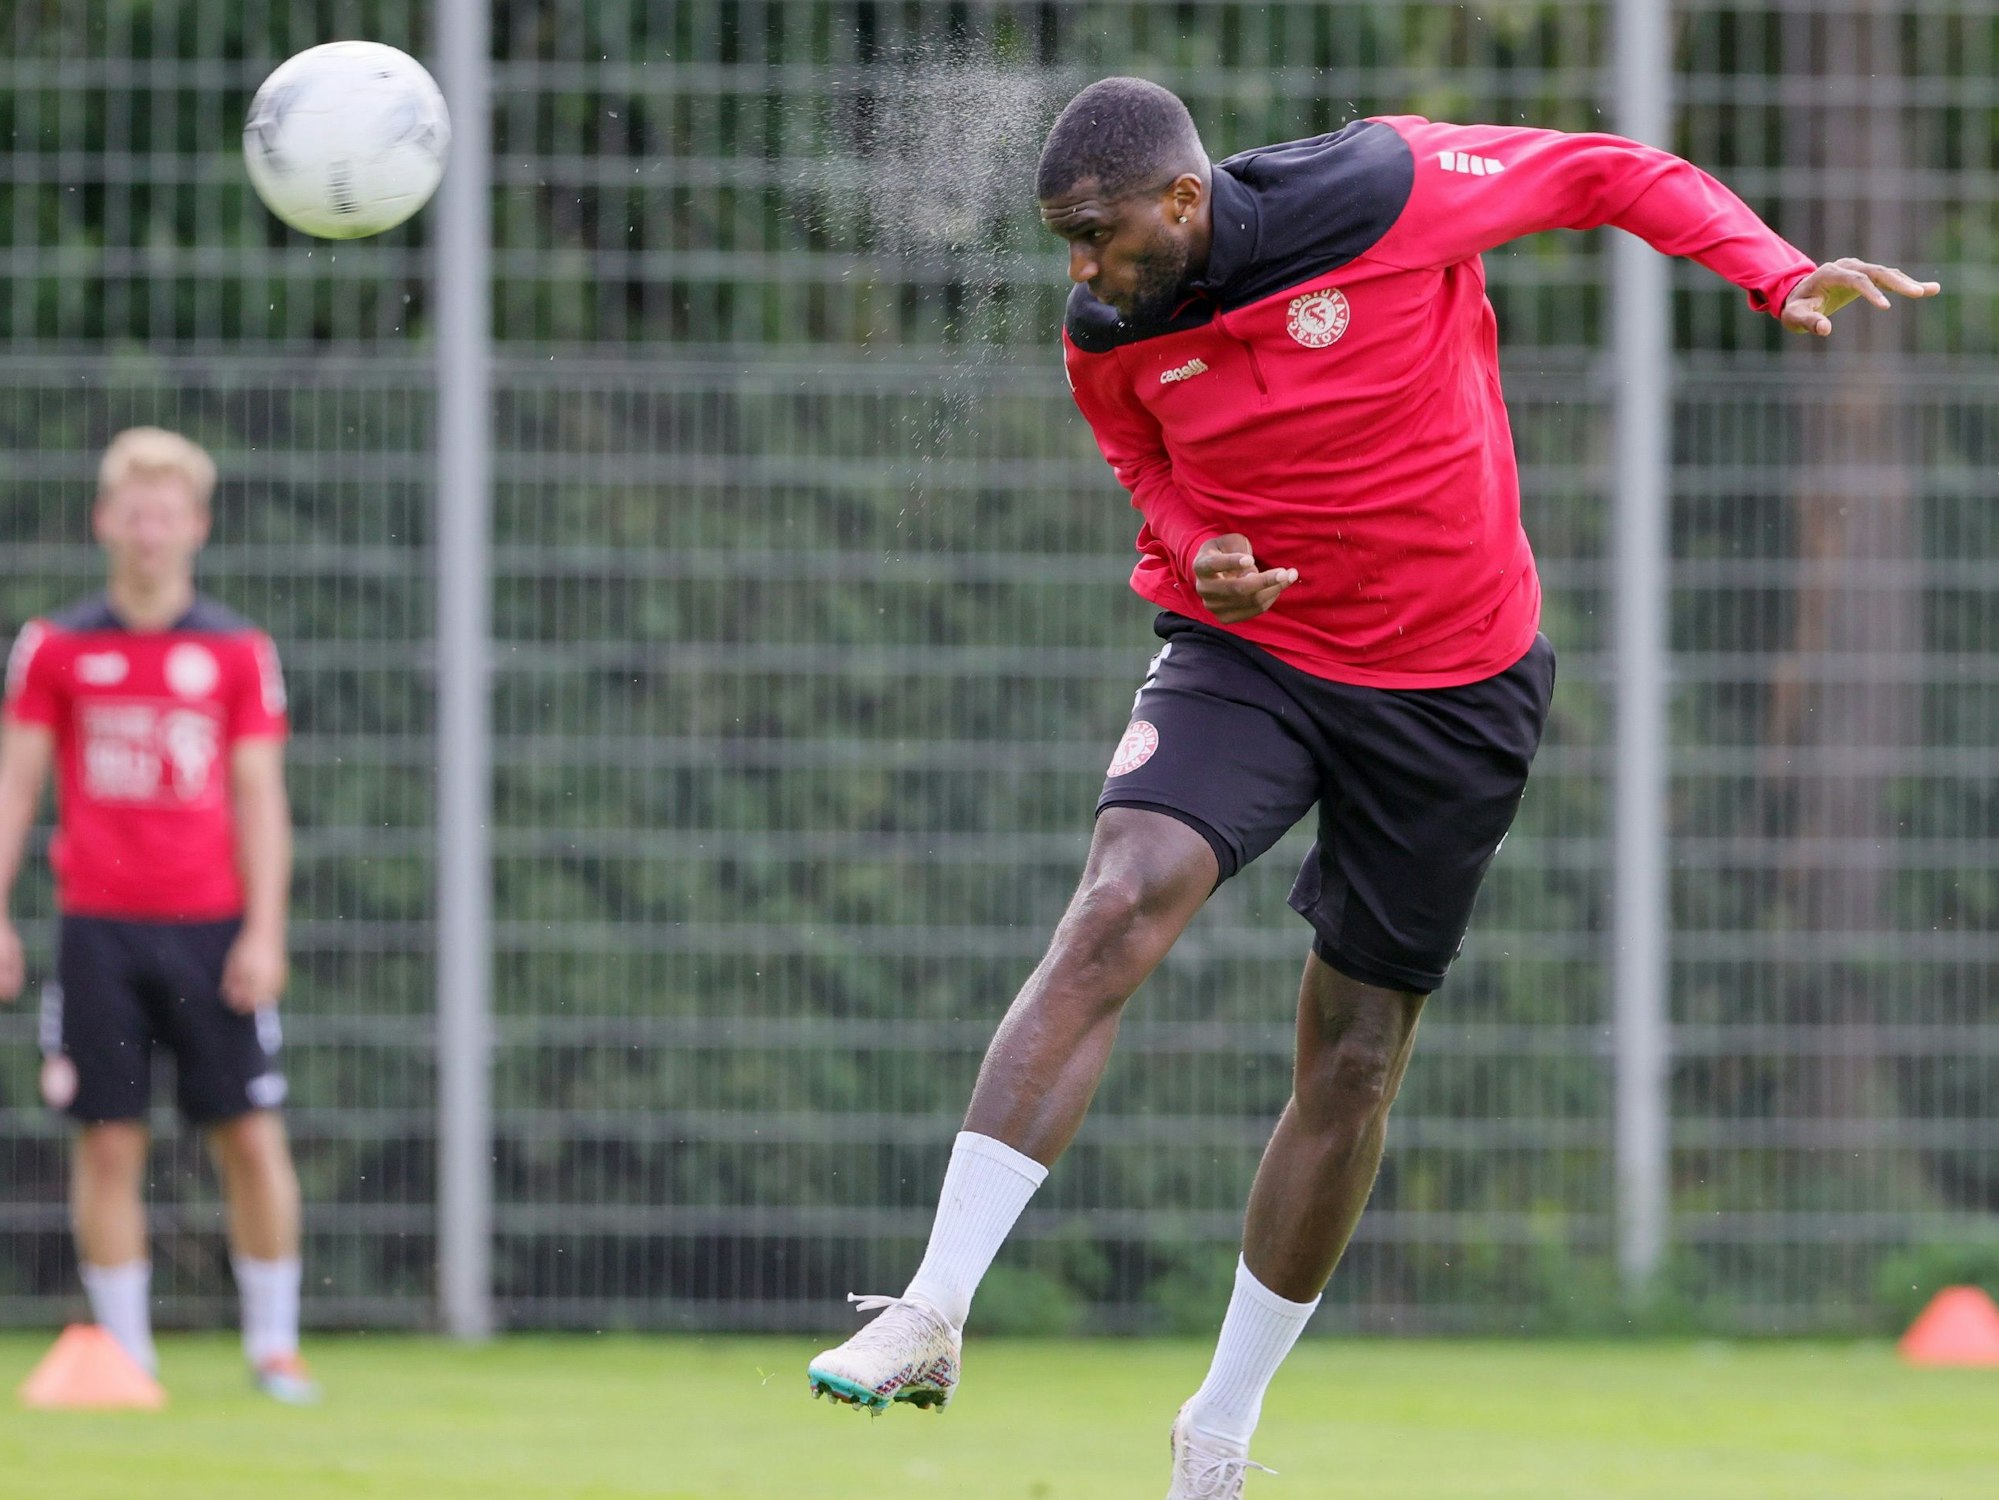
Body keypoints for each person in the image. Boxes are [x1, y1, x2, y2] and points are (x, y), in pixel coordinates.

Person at [807, 77, 1938, 1494]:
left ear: (1182, 199)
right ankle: (932, 1309)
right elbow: (1139, 457)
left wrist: (1769, 270)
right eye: (1063, 244)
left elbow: (1604, 169)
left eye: (1096, 235)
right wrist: (1197, 544)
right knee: (1116, 901)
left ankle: (1217, 1434)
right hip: (1256, 653)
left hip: (1455, 687)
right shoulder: (1106, 329)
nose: (1080, 271)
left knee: (1352, 1058)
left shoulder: (1379, 190)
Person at [0, 427, 318, 1404]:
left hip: (213, 930)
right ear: (105, 521)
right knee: (107, 1139)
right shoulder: (56, 647)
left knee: (249, 1135)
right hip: (98, 930)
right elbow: (15, 785)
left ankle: (275, 1348)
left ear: (197, 526)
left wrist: (265, 930)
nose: (149, 532)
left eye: (166, 515)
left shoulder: (236, 651)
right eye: (134, 513)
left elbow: (260, 799)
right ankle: (125, 1357)